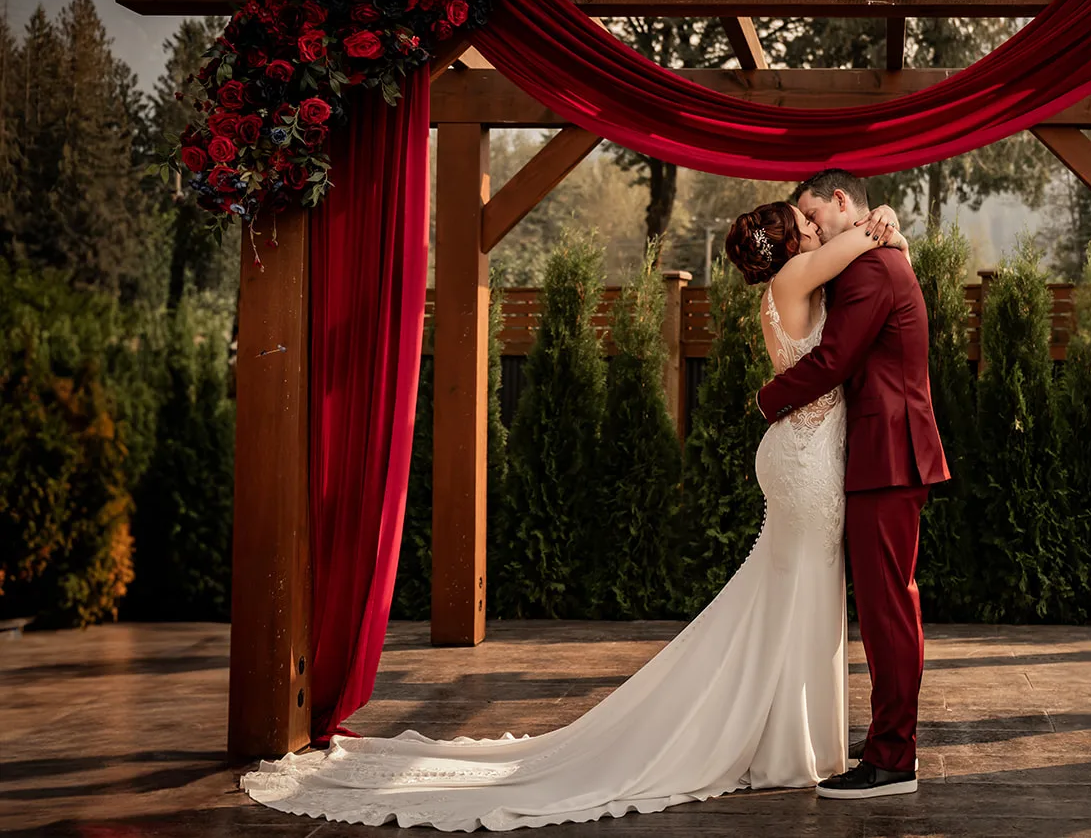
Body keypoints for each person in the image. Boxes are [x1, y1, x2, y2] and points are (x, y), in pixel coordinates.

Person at [238, 194, 906, 831]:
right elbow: (859, 239)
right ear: (790, 242)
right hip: (805, 464)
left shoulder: (797, 283)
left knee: (799, 597)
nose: (816, 225)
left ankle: (798, 740)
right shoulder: (793, 279)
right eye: (804, 221)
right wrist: (883, 219)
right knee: (802, 595)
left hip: (807, 456)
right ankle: (793, 746)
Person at [758, 168, 949, 800]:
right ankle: (890, 751)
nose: (811, 229)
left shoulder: (869, 270)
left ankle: (892, 760)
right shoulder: (874, 257)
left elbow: (836, 360)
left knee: (889, 611)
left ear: (843, 202)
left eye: (814, 215)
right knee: (888, 607)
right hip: (880, 453)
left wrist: (765, 401)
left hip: (887, 454)